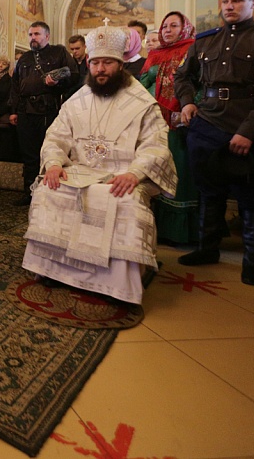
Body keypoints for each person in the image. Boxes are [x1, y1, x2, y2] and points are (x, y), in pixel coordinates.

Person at [22, 25, 176, 304]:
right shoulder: (76, 101)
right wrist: (55, 163)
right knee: (48, 189)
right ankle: (52, 269)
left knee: (124, 200)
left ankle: (119, 284)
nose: (100, 69)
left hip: (122, 175)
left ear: (120, 65)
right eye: (95, 63)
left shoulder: (142, 103)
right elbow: (56, 136)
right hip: (79, 172)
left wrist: (135, 173)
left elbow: (156, 145)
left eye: (107, 63)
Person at [174, 0, 254, 284]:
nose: (229, 7)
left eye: (237, 1)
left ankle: (253, 262)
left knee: (252, 197)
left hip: (248, 126)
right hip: (207, 126)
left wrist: (249, 131)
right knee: (208, 192)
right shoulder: (206, 40)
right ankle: (207, 249)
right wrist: (187, 103)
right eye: (225, 1)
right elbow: (182, 76)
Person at [139, 12, 199, 244]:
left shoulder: (193, 50)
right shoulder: (154, 55)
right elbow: (142, 84)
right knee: (155, 169)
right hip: (155, 122)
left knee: (180, 172)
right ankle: (160, 228)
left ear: (184, 28)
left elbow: (202, 83)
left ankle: (182, 233)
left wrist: (188, 107)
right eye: (164, 26)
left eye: (174, 26)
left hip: (182, 124)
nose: (167, 30)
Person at [9, 21, 79, 205]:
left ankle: (47, 192)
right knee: (28, 154)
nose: (33, 38)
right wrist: (14, 111)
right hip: (25, 111)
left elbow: (74, 76)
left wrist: (57, 83)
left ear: (47, 36)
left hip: (47, 109)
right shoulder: (24, 58)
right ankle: (29, 192)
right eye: (31, 34)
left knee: (47, 151)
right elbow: (15, 85)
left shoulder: (59, 52)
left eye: (37, 34)